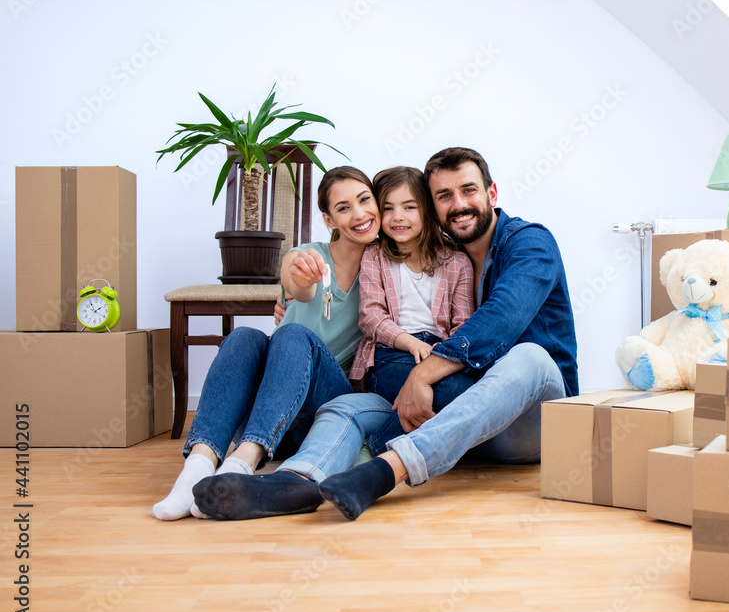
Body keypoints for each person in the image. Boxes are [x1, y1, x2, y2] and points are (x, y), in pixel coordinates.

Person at [193, 146, 578, 521]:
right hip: (457, 427)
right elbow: (320, 284)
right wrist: (289, 294)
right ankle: (297, 480)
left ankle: (381, 470)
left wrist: (422, 374)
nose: (457, 204)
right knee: (349, 407)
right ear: (435, 206)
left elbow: (501, 318)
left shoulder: (528, 243)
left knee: (527, 357)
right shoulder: (396, 255)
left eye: (469, 190)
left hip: (529, 420)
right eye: (444, 195)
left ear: (492, 193)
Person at [152, 166, 379, 521]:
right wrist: (297, 277)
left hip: (319, 411)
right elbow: (296, 282)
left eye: (365, 200)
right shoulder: (311, 254)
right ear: (329, 219)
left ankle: (244, 463)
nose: (360, 213)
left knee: (292, 334)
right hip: (270, 409)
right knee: (244, 336)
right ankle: (198, 465)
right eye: (344, 207)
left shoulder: (385, 268)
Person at [348, 166, 478, 425]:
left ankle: (382, 443)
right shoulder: (374, 256)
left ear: (427, 210)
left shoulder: (458, 262)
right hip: (390, 354)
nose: (398, 217)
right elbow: (371, 316)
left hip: (440, 354)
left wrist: (441, 357)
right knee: (446, 394)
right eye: (388, 208)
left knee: (463, 390)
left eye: (409, 207)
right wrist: (412, 343)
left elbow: (463, 325)